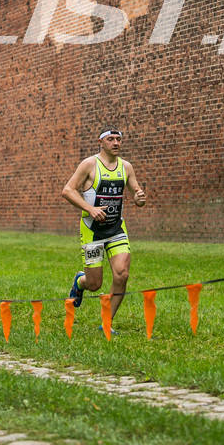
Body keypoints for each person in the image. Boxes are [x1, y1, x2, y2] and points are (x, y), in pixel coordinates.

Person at [62, 128, 146, 323]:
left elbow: (137, 195)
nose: (116, 143)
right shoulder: (89, 165)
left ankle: (106, 322)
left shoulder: (126, 167)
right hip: (93, 231)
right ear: (101, 142)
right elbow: (68, 191)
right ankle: (80, 281)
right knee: (94, 284)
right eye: (111, 139)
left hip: (116, 229)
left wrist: (139, 198)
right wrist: (90, 209)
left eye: (119, 139)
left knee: (122, 274)